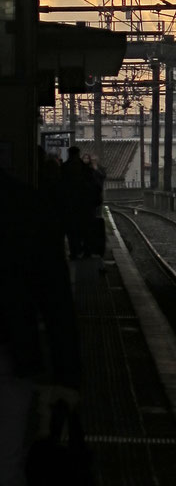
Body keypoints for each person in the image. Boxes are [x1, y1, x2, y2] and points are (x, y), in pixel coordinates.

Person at [0, 165, 81, 486]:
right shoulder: (25, 203)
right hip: (10, 353)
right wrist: (67, 376)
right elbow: (55, 298)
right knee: (6, 466)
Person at [60, 147, 95, 260]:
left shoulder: (64, 168)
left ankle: (74, 251)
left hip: (69, 205)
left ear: (69, 154)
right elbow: (92, 186)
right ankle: (86, 251)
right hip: (84, 205)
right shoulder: (85, 168)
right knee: (85, 229)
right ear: (78, 154)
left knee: (71, 230)